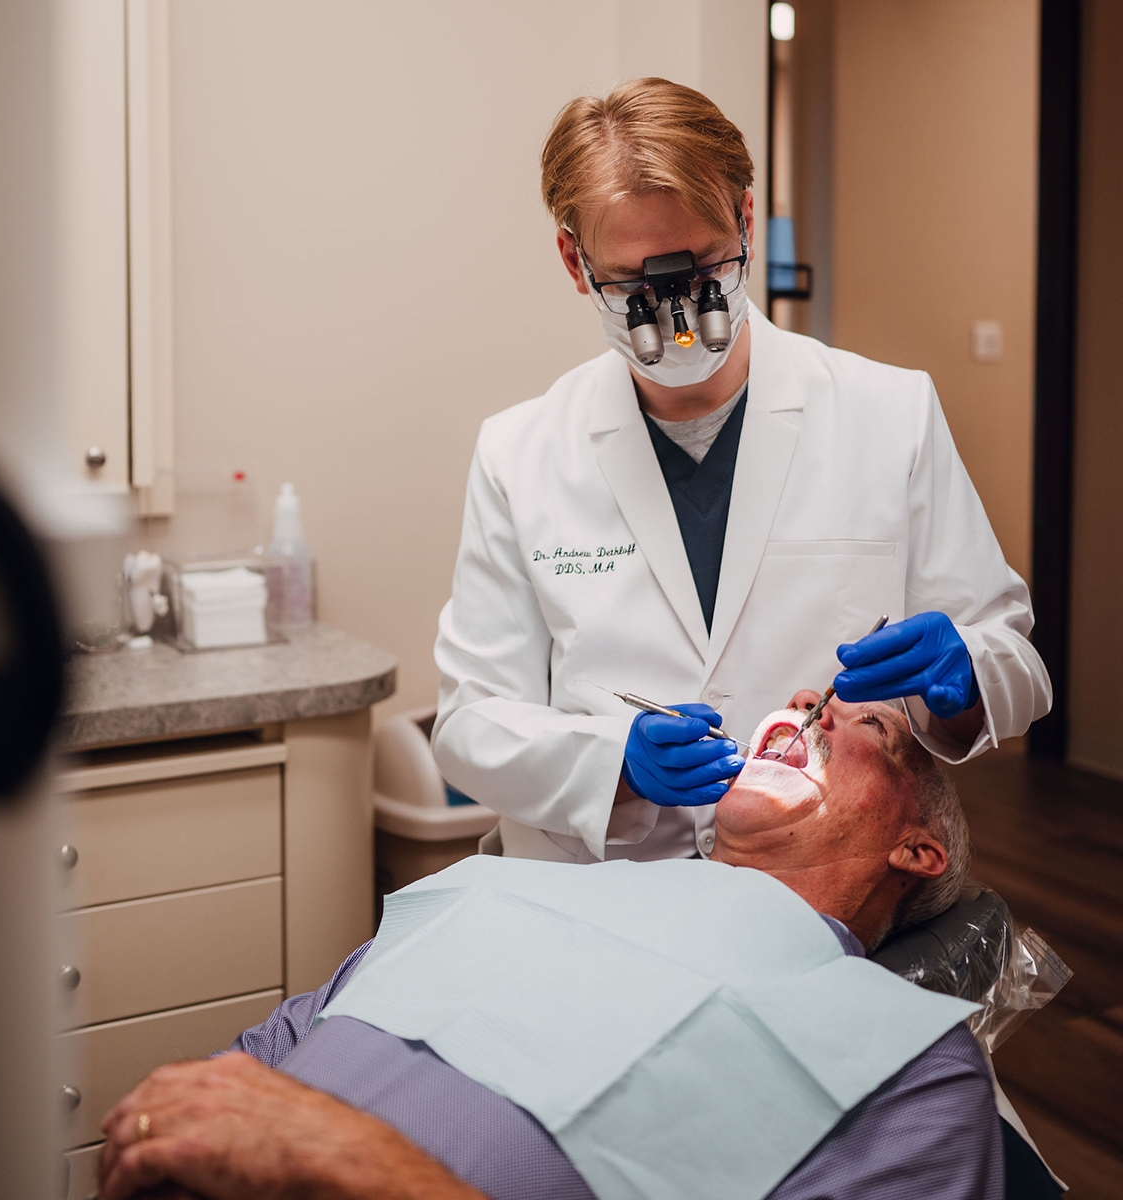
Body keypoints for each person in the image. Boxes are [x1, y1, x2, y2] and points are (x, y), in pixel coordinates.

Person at [431, 77, 1051, 866]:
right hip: (600, 896)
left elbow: (1020, 670)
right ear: (573, 260)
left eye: (702, 268)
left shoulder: (889, 413)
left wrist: (968, 673)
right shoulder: (519, 453)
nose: (678, 317)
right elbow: (470, 724)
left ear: (747, 221)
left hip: (818, 891)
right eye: (635, 285)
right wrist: (613, 762)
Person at [96, 694, 1003, 1200]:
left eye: (871, 726)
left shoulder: (908, 1063)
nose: (813, 704)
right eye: (816, 697)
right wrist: (167, 1124)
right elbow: (281, 1043)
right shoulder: (502, 883)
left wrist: (365, 1168)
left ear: (916, 851)